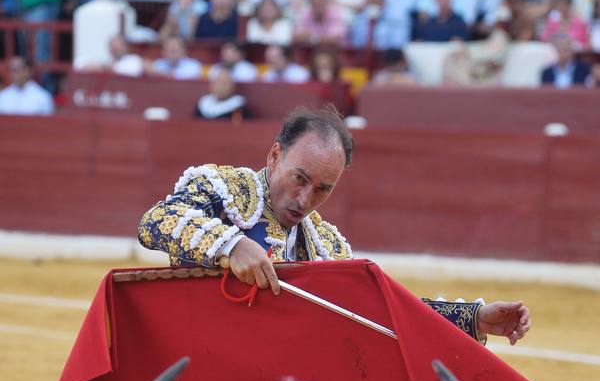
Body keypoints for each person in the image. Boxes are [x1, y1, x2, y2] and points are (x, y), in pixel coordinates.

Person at [138, 105, 531, 345]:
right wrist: (232, 246)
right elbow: (156, 221)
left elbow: (378, 309)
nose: (305, 200)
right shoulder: (221, 188)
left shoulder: (324, 244)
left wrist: (474, 319)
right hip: (197, 358)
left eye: (323, 189)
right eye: (300, 178)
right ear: (275, 156)